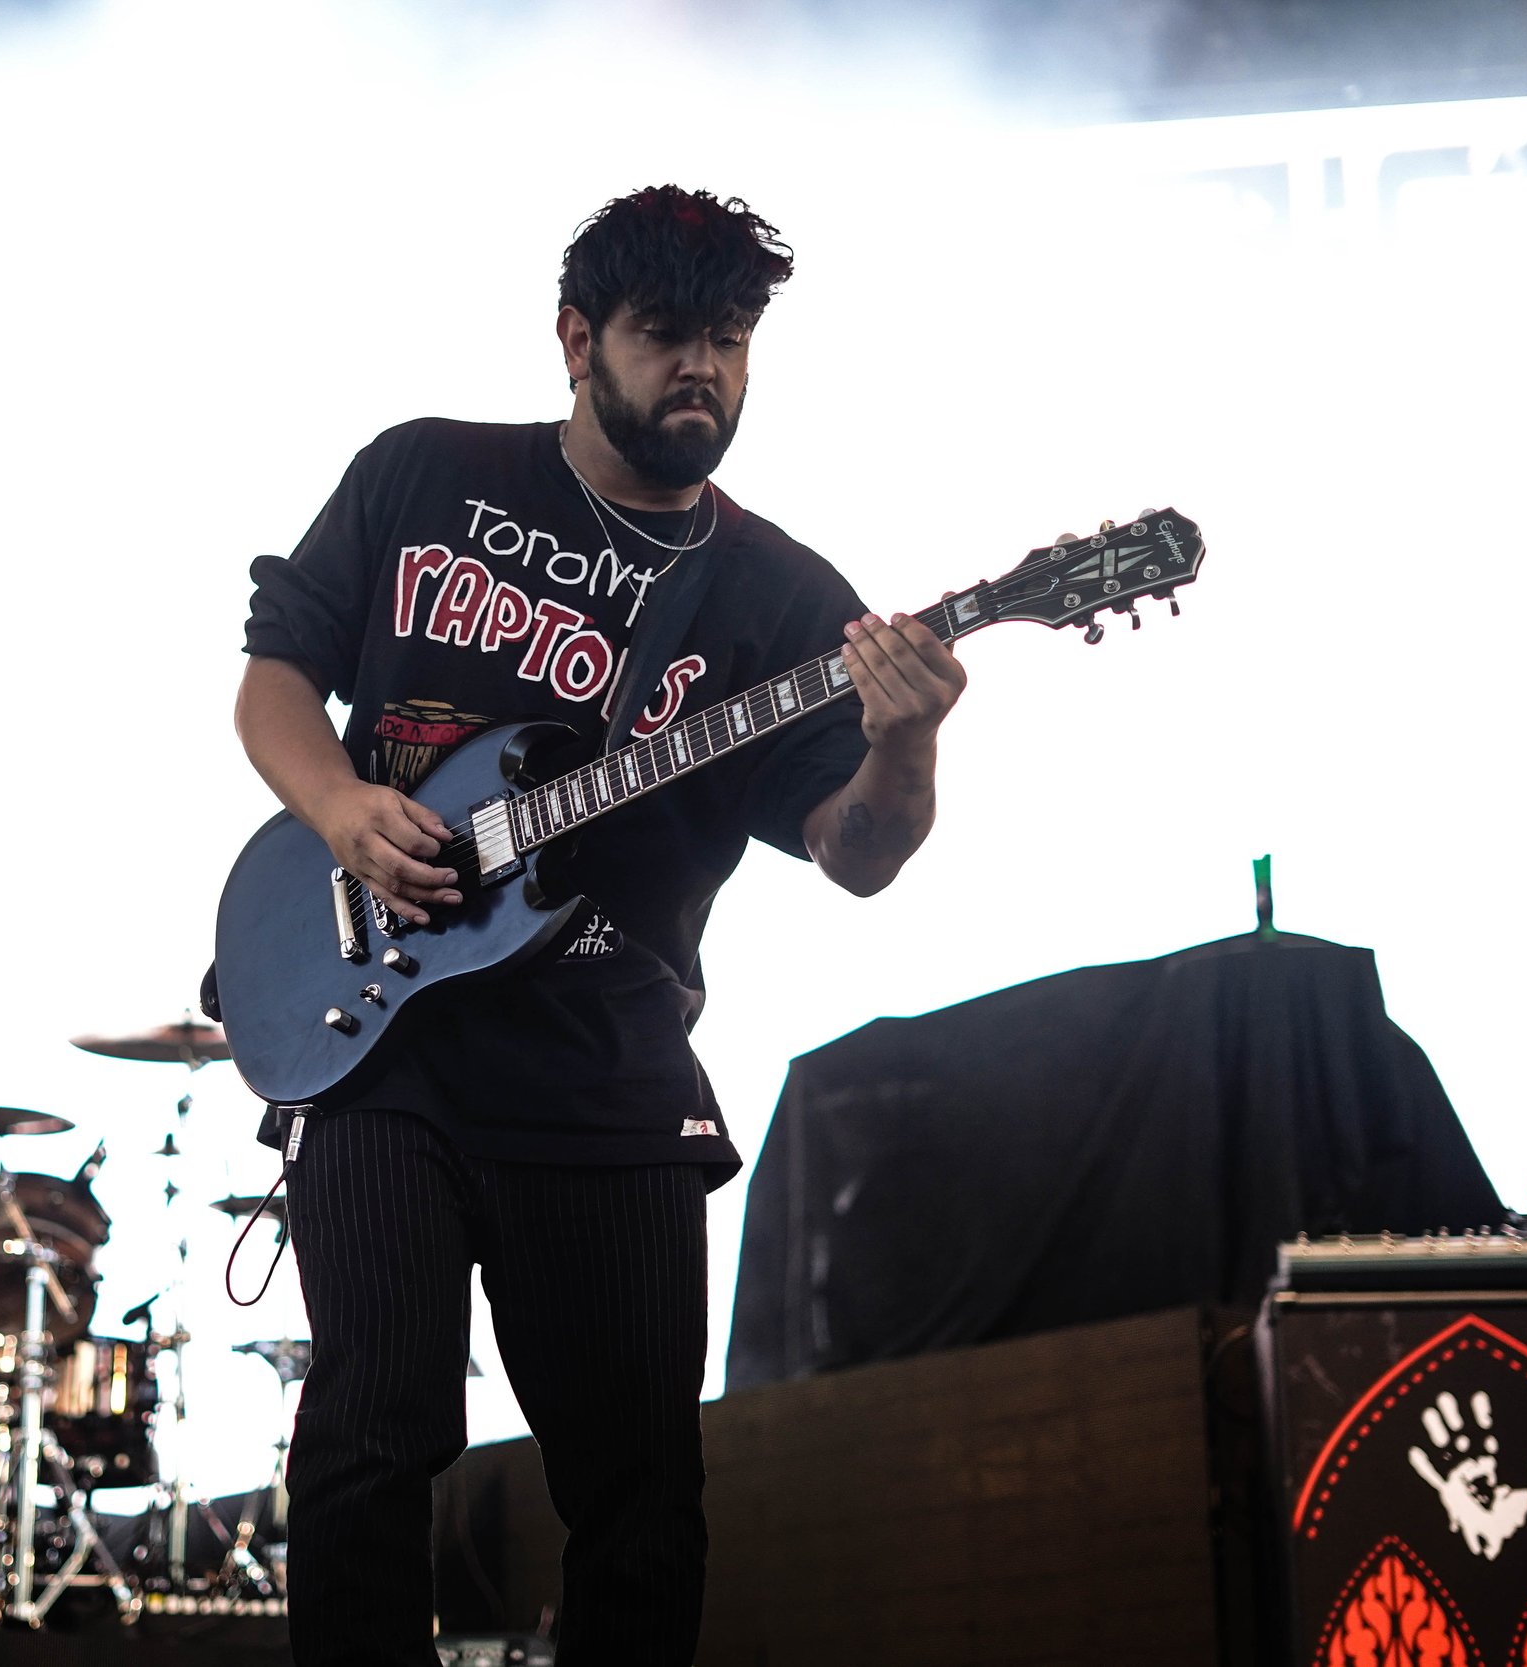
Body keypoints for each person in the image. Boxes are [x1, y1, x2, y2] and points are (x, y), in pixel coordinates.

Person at [231, 186, 967, 1666]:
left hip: (607, 1077)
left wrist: (905, 743)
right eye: (667, 335)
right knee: (370, 1440)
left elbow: (859, 859)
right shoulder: (423, 474)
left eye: (733, 339)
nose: (705, 367)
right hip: (387, 1047)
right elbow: (272, 680)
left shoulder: (781, 602)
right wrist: (337, 811)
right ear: (578, 338)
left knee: (640, 1496)